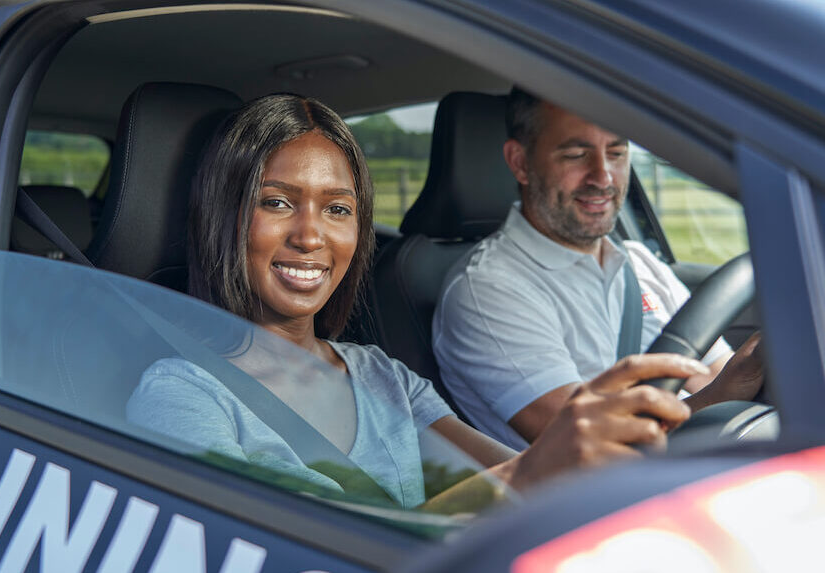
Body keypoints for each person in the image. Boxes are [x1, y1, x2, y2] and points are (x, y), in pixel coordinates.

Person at [128, 93, 704, 511]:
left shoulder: (383, 377)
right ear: (221, 216)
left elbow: (497, 480)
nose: (312, 237)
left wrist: (562, 459)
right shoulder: (182, 396)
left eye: (337, 209)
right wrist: (538, 467)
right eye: (277, 203)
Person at [432, 88, 762, 450]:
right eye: (576, 155)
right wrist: (721, 395)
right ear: (520, 163)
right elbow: (587, 445)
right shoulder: (488, 291)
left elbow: (716, 375)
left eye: (617, 153)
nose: (603, 177)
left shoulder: (639, 261)